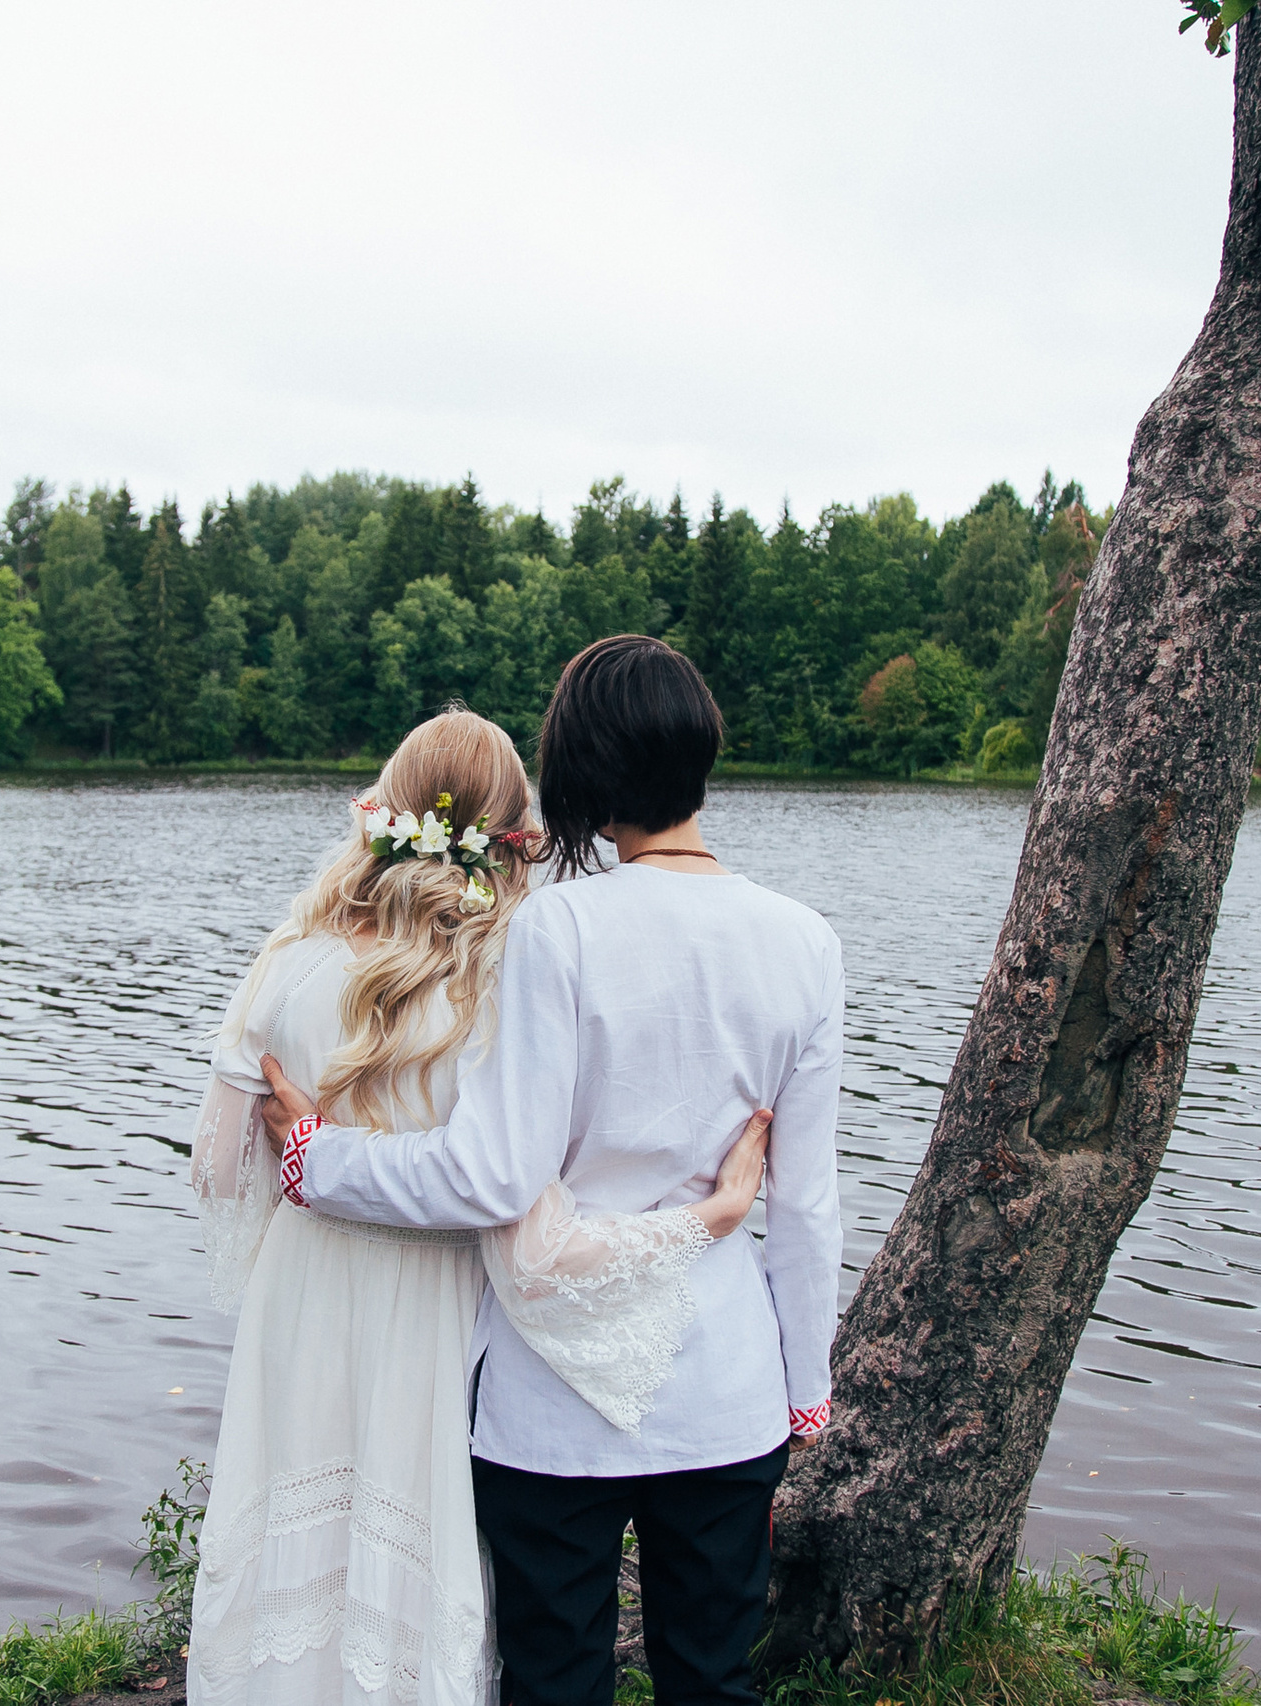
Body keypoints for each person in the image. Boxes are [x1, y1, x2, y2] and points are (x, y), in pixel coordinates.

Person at [259, 636, 845, 1706]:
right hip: (724, 1387)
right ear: (700, 754)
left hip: (550, 1393)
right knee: (714, 1675)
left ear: (574, 771)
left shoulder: (556, 928)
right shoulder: (803, 940)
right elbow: (805, 1204)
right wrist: (805, 1393)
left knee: (553, 1675)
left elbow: (490, 1176)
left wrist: (317, 1159)